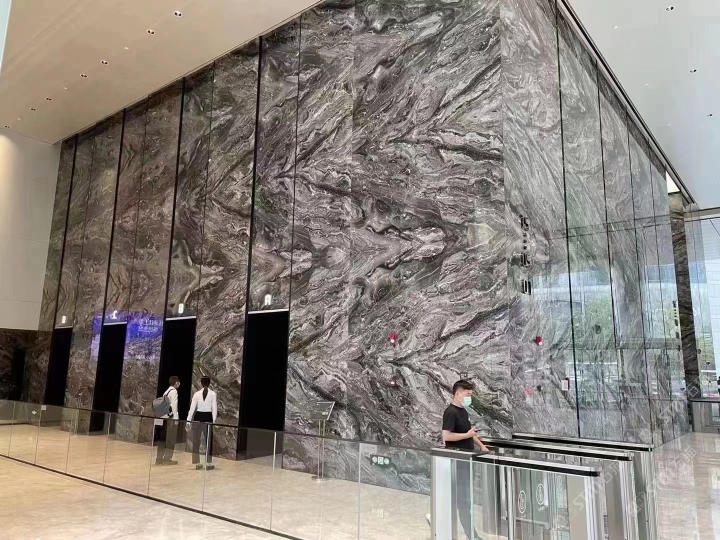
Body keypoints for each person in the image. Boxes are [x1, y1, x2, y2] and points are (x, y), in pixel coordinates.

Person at [441, 380, 489, 540]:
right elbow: (446, 436)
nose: (470, 397)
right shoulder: (450, 412)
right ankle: (471, 535)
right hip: (457, 461)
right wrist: (467, 435)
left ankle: (470, 534)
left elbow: (469, 433)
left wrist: (481, 446)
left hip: (466, 460)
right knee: (463, 501)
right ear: (458, 394)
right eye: (468, 394)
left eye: (471, 394)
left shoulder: (463, 411)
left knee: (465, 500)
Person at [187, 376, 217, 470]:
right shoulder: (213, 394)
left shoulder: (196, 394)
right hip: (208, 417)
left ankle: (197, 463)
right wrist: (214, 421)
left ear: (201, 383)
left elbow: (192, 408)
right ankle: (208, 463)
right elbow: (214, 408)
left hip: (197, 417)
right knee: (208, 441)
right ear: (209, 383)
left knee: (196, 441)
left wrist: (188, 421)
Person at [155, 376, 180, 465]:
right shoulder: (174, 392)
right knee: (171, 439)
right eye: (178, 382)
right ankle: (167, 458)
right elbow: (174, 406)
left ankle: (159, 458)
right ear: (176, 383)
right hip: (171, 419)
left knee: (163, 438)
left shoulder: (166, 392)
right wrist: (176, 419)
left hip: (164, 418)